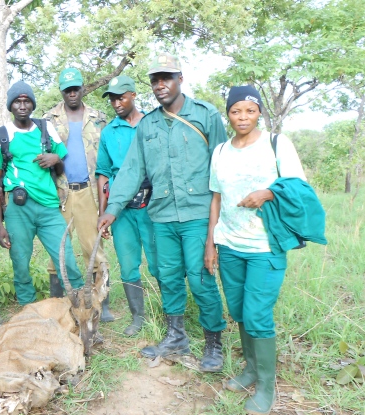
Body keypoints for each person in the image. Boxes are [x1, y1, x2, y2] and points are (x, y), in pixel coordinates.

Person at [98, 53, 227, 372]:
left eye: (166, 78)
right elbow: (130, 170)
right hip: (163, 216)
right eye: (155, 80)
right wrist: (111, 209)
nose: (160, 85)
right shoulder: (148, 125)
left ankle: (214, 344)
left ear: (180, 79)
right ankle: (176, 336)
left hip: (198, 215)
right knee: (168, 277)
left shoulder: (205, 115)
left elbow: (223, 168)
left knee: (200, 279)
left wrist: (222, 222)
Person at [204, 85, 324, 415]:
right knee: (240, 312)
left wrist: (267, 193)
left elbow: (298, 186)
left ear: (259, 113)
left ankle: (267, 388)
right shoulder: (220, 152)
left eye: (250, 111)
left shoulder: (276, 144)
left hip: (265, 246)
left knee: (258, 314)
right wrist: (211, 243)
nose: (243, 117)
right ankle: (251, 370)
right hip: (229, 244)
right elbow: (216, 197)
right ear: (228, 114)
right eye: (235, 111)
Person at [0, 81, 85, 305]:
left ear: (32, 104)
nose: (22, 106)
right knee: (20, 263)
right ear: (10, 106)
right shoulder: (1, 135)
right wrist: (0, 226)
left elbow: (61, 164)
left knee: (65, 257)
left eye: (27, 101)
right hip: (19, 209)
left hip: (49, 207)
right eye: (17, 102)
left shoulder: (45, 128)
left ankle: (79, 307)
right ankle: (28, 312)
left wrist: (56, 159)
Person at [43, 68, 113, 322]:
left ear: (82, 88)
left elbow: (107, 157)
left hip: (88, 191)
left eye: (76, 88)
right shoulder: (48, 119)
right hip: (59, 192)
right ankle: (58, 306)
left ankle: (101, 304)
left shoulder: (98, 118)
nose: (72, 93)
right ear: (61, 91)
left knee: (93, 249)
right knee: (56, 250)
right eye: (67, 89)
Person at [96, 76, 159, 336]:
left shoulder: (153, 124)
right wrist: (104, 211)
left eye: (121, 97)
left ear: (133, 95)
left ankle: (169, 315)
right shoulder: (109, 131)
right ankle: (138, 317)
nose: (116, 102)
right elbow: (102, 172)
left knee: (159, 262)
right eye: (112, 98)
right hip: (120, 209)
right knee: (127, 262)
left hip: (152, 204)